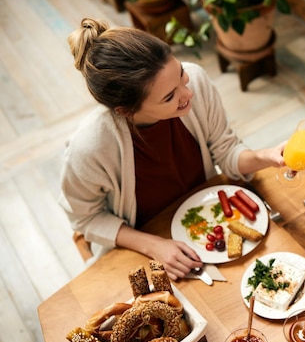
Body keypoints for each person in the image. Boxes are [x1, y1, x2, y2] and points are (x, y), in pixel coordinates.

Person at [60, 18, 285, 280]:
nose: (187, 93)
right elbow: (85, 219)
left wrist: (266, 157)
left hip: (207, 226)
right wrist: (152, 245)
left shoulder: (196, 83)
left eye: (180, 73)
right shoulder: (89, 147)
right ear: (126, 111)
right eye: (169, 97)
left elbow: (226, 150)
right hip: (142, 245)